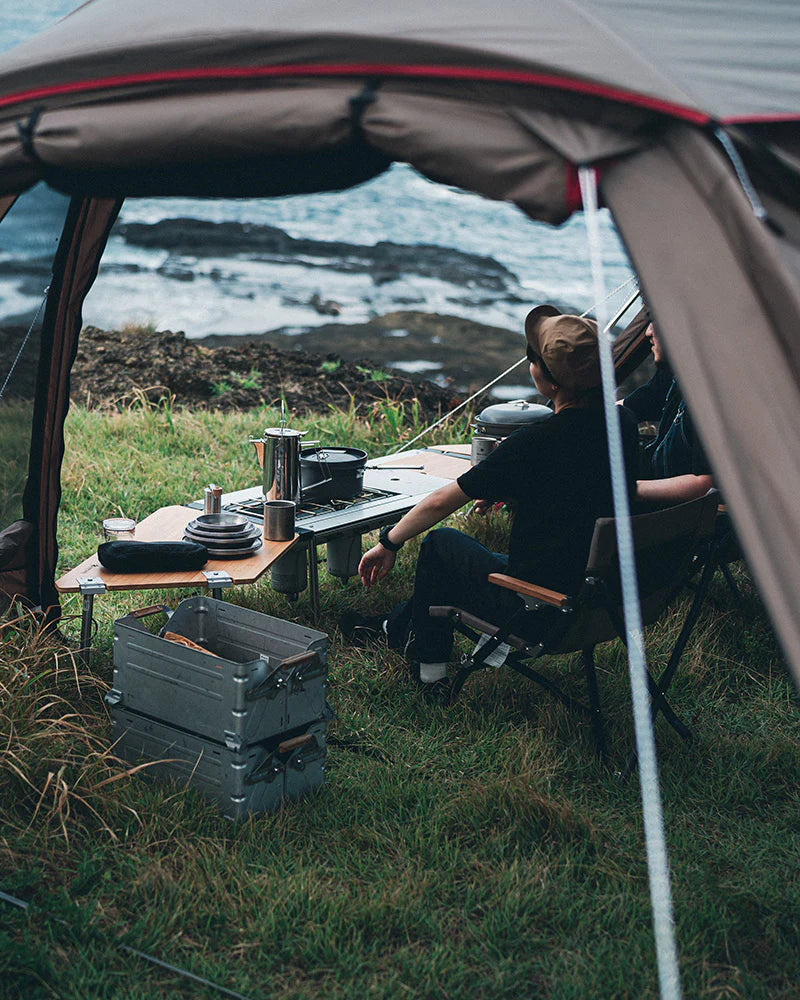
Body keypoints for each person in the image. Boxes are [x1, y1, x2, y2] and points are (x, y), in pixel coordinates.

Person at [340, 304, 640, 700]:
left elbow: (440, 502)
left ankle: (430, 675)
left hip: (540, 606)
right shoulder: (624, 426)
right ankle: (389, 630)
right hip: (598, 594)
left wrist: (388, 542)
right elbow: (580, 483)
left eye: (533, 359)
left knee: (441, 546)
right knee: (454, 566)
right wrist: (516, 486)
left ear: (548, 380)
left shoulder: (536, 442)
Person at [622, 322, 713, 506]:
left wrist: (627, 489)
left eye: (657, 318)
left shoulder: (710, 395)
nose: (648, 332)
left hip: (672, 518)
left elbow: (706, 484)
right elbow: (635, 404)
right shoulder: (675, 369)